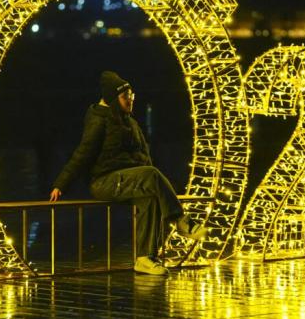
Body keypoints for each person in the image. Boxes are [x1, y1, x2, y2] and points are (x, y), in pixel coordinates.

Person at [49, 71, 206, 275]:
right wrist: (61, 184)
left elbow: (143, 153)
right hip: (105, 181)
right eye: (126, 97)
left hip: (128, 179)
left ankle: (145, 258)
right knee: (151, 174)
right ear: (114, 98)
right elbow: (83, 153)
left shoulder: (127, 120)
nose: (131, 100)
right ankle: (181, 221)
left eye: (132, 96)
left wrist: (154, 182)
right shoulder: (99, 120)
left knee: (150, 197)